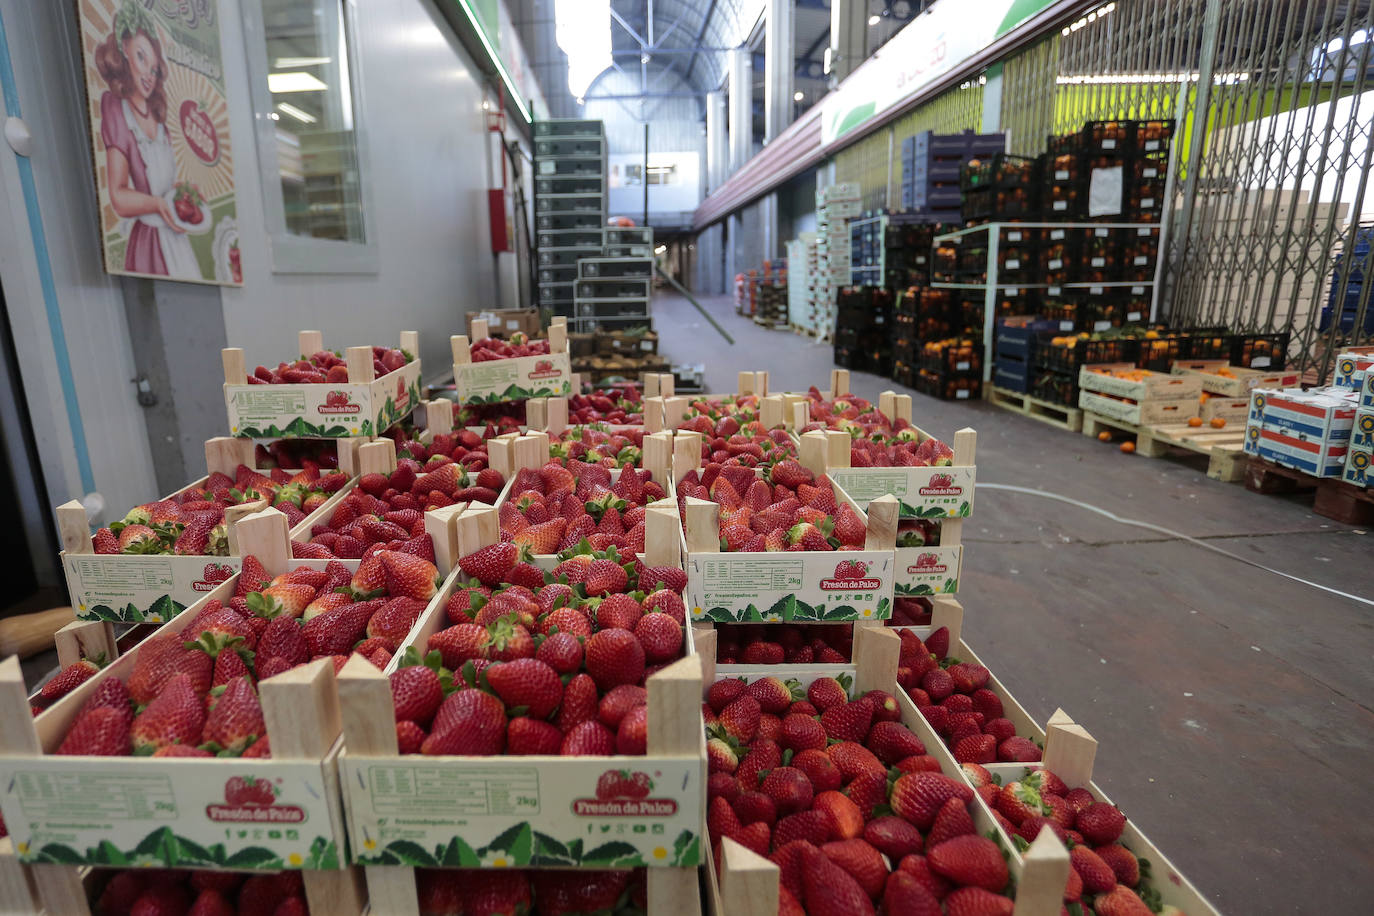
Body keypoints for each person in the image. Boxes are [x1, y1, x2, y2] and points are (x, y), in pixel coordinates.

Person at [95, 4, 200, 278]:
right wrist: (158, 204)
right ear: (124, 49)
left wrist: (179, 193)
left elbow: (164, 182)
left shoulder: (157, 113)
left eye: (154, 69)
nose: (148, 76)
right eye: (141, 58)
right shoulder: (117, 111)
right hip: (150, 243)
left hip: (177, 241)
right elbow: (117, 196)